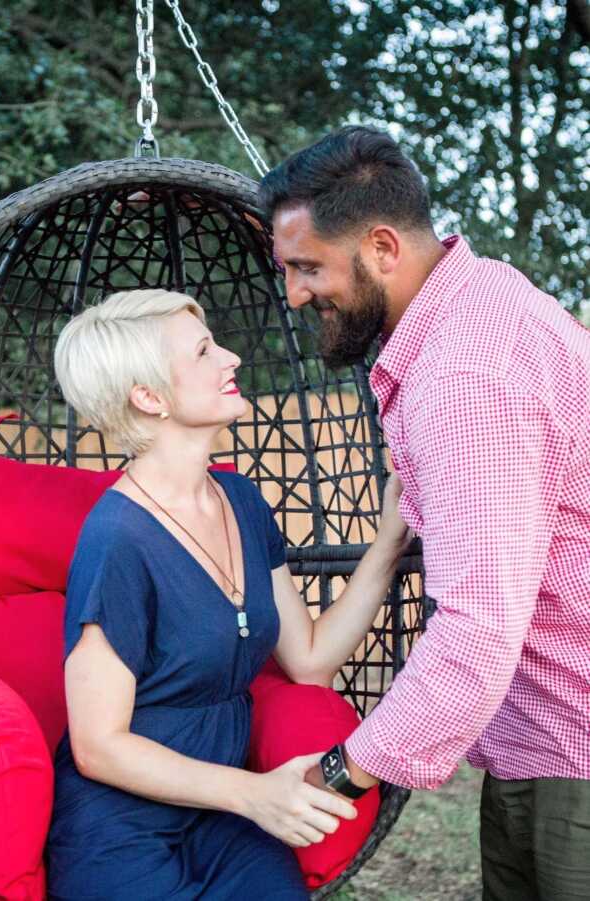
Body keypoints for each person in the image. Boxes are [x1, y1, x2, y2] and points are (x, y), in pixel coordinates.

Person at [260, 125, 590, 901]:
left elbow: (476, 633)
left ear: (381, 247)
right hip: (546, 739)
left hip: (574, 753)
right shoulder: (484, 297)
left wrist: (336, 774)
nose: (296, 294)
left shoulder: (466, 376)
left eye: (308, 267)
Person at [46, 288, 412, 900]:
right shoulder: (117, 539)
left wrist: (386, 547)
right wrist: (257, 794)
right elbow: (97, 746)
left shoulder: (240, 501)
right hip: (119, 831)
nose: (232, 358)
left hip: (222, 817)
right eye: (203, 350)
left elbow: (311, 659)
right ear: (149, 396)